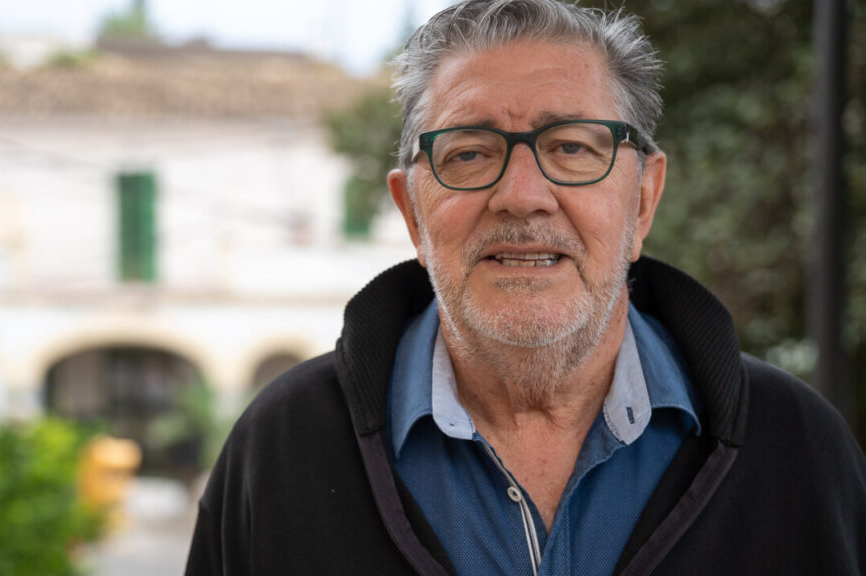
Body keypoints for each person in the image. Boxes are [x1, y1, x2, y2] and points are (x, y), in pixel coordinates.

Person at [184, 1, 866, 574]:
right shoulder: (283, 449)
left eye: (572, 146)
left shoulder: (798, 447)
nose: (522, 196)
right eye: (469, 154)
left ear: (642, 202)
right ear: (412, 214)